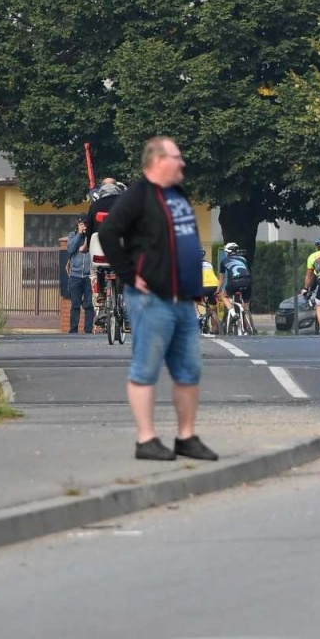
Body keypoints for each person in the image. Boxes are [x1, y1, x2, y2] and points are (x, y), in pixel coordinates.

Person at [96, 139, 218, 463]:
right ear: (159, 161)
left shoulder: (177, 195)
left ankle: (186, 437)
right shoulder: (138, 195)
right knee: (145, 368)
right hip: (152, 300)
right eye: (177, 158)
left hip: (183, 301)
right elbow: (109, 232)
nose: (183, 164)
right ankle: (146, 440)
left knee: (189, 369)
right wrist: (127, 273)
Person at [85, 177, 127, 318]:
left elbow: (89, 230)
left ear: (101, 190)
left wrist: (86, 246)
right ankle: (124, 299)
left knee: (99, 267)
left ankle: (102, 295)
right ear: (117, 188)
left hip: (101, 250)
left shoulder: (95, 206)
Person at [66, 219, 95, 334]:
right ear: (78, 225)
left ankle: (88, 330)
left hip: (89, 275)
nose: (84, 226)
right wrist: (79, 234)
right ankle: (73, 330)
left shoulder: (92, 236)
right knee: (75, 304)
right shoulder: (73, 235)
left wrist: (88, 234)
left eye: (85, 224)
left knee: (88, 304)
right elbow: (70, 249)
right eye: (81, 224)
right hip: (75, 275)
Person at [219, 243, 253, 323]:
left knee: (224, 296)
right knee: (246, 306)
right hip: (248, 281)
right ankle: (247, 327)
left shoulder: (224, 261)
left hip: (235, 282)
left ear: (227, 252)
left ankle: (233, 314)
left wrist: (218, 291)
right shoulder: (243, 259)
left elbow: (222, 279)